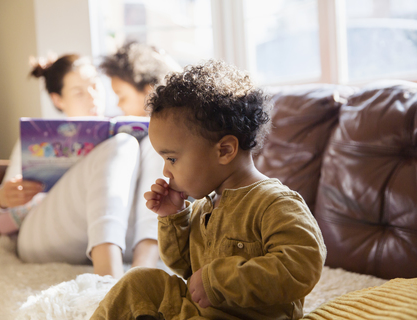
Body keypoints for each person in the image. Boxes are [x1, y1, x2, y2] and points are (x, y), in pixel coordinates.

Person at [91, 60, 327, 320]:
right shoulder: (206, 205)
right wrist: (173, 217)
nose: (165, 172)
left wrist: (218, 280)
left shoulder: (275, 203)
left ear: (224, 150)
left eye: (172, 159)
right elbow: (184, 268)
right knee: (141, 282)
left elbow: (301, 266)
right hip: (198, 311)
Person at [0, 47, 178, 278]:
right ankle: (110, 279)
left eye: (94, 85)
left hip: (121, 229)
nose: (92, 96)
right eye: (78, 92)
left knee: (155, 142)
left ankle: (142, 270)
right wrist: (3, 198)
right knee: (121, 145)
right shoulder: (39, 138)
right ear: (58, 99)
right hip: (43, 235)